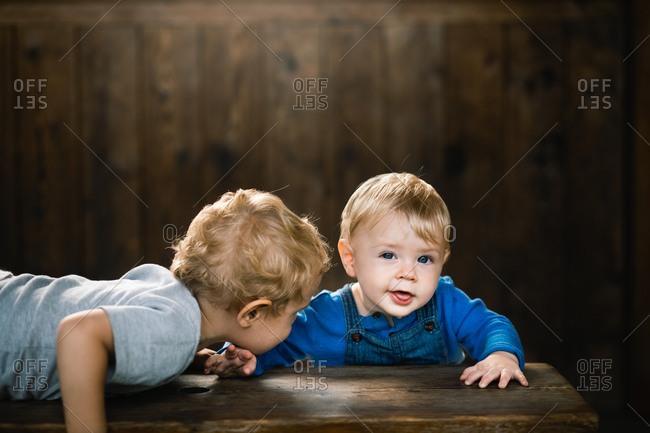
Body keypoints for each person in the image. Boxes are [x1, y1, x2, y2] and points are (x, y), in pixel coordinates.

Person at [0, 188, 330, 433]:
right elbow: (78, 334)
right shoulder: (174, 332)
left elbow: (132, 340)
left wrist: (198, 359)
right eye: (294, 314)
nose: (298, 321)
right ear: (252, 314)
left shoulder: (165, 292)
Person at [207, 173, 528, 389]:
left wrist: (501, 355)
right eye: (389, 255)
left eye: (425, 259)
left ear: (443, 260)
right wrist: (240, 358)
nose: (408, 272)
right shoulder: (326, 316)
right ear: (350, 258)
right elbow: (275, 343)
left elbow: (490, 325)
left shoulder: (446, 304)